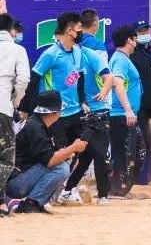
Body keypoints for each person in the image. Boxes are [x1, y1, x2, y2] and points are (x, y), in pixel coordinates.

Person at [24, 12, 109, 149]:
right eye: (79, 28)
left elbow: (79, 77)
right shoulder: (51, 54)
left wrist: (82, 101)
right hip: (55, 115)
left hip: (75, 112)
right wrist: (24, 109)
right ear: (70, 31)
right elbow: (33, 80)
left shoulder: (77, 51)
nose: (82, 32)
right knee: (60, 154)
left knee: (81, 152)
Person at [6, 91, 87, 214]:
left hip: (21, 178)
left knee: (62, 164)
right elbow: (49, 161)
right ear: (55, 112)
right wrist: (73, 148)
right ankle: (31, 203)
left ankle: (36, 203)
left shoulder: (41, 124)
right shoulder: (35, 127)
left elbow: (46, 154)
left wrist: (65, 153)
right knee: (61, 168)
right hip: (15, 183)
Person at [58, 32, 113, 205]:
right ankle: (66, 190)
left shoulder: (90, 55)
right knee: (81, 155)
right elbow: (67, 85)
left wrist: (103, 92)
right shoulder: (64, 57)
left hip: (97, 111)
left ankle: (102, 195)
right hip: (75, 112)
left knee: (99, 154)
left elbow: (109, 77)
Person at [106, 26, 144, 198]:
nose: (137, 42)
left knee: (136, 151)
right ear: (129, 40)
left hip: (125, 114)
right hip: (121, 114)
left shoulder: (122, 59)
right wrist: (128, 110)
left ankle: (120, 188)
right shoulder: (120, 60)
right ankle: (116, 188)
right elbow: (118, 84)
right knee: (124, 153)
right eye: (135, 38)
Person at [0, 12, 29, 216]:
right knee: (5, 159)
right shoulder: (17, 49)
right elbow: (23, 79)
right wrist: (16, 101)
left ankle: (1, 203)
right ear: (12, 31)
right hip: (2, 108)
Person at [129, 20, 151, 179]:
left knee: (147, 144)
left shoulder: (149, 53)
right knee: (137, 145)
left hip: (149, 106)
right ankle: (129, 180)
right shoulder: (132, 55)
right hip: (137, 107)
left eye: (146, 31)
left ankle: (135, 179)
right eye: (141, 32)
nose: (145, 34)